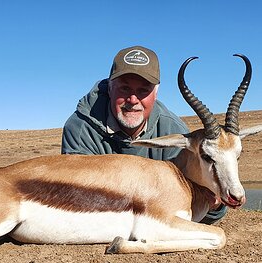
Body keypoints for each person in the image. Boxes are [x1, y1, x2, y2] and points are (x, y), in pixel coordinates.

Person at [61, 45, 227, 224]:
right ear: (109, 87)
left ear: (156, 93)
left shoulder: (173, 130)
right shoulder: (80, 128)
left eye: (143, 90)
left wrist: (214, 205)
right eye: (124, 88)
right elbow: (77, 196)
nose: (133, 100)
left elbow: (188, 205)